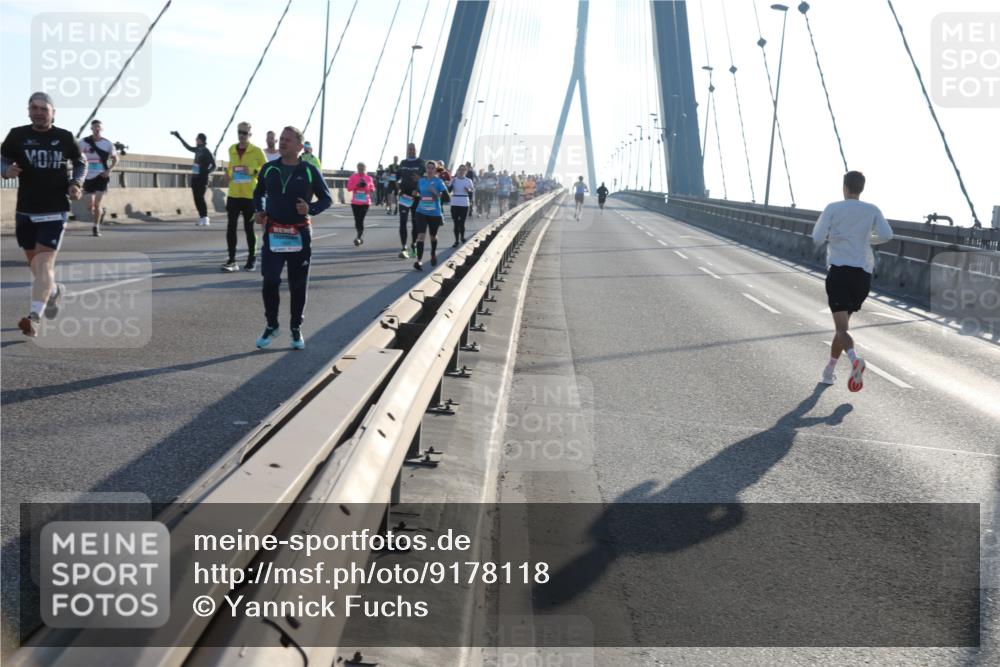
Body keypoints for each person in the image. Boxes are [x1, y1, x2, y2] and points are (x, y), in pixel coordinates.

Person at [2, 92, 86, 337]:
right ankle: (54, 290)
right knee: (36, 266)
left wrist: (76, 183)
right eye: (34, 108)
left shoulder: (64, 137)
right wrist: (6, 170)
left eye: (44, 109)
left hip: (55, 209)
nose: (39, 112)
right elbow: (2, 159)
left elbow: (81, 162)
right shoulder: (17, 135)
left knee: (43, 263)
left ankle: (35, 317)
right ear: (28, 111)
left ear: (53, 112)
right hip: (26, 210)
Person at [252, 125, 332, 350]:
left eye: (287, 140)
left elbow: (326, 199)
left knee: (298, 284)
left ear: (299, 146)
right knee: (270, 279)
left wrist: (310, 208)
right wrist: (258, 210)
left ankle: (296, 328)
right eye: (281, 139)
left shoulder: (308, 170)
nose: (282, 142)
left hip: (299, 233)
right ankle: (272, 325)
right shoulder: (269, 169)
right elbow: (258, 194)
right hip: (274, 232)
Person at [812, 170, 893, 391]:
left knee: (842, 329)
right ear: (861, 188)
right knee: (842, 327)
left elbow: (817, 237)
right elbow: (887, 235)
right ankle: (829, 371)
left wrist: (833, 237)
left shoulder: (833, 208)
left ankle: (855, 359)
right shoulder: (872, 210)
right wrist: (867, 239)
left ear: (844, 187)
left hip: (840, 273)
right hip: (863, 276)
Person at [223, 122, 267, 272]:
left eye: (245, 133)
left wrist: (253, 171)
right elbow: (231, 167)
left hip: (250, 195)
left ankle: (252, 258)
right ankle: (231, 260)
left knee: (249, 228)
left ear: (250, 135)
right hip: (234, 194)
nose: (241, 135)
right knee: (231, 228)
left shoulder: (257, 151)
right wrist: (228, 174)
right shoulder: (232, 149)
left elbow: (265, 168)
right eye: (239, 132)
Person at [79, 119, 119, 237]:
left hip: (101, 176)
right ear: (91, 129)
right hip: (87, 176)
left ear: (101, 129)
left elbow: (116, 159)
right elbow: (76, 156)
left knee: (97, 204)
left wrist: (109, 170)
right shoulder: (83, 142)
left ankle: (95, 228)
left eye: (99, 127)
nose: (96, 129)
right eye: (94, 127)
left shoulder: (107, 143)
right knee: (89, 206)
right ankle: (101, 213)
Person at [170, 129, 216, 226]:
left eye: (197, 138)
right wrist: (179, 137)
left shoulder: (206, 151)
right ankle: (201, 217)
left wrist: (207, 172)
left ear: (201, 140)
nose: (195, 140)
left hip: (203, 178)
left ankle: (205, 217)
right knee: (196, 198)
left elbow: (214, 165)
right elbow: (187, 147)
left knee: (200, 197)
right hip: (195, 177)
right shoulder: (197, 150)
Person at [411, 160, 447, 270]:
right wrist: (415, 193)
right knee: (420, 236)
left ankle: (433, 253)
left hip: (434, 213)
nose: (430, 170)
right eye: (428, 168)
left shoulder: (439, 182)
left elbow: (447, 198)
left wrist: (435, 192)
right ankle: (419, 260)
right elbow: (417, 192)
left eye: (432, 168)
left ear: (435, 170)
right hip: (421, 211)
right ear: (426, 170)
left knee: (433, 236)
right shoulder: (421, 181)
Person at [396, 143, 424, 258]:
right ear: (407, 150)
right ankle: (404, 247)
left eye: (413, 149)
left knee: (415, 222)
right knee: (403, 221)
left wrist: (419, 185)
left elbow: (428, 177)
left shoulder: (421, 162)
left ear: (416, 150)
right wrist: (397, 186)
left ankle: (414, 244)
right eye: (409, 149)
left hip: (416, 196)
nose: (411, 151)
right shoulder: (403, 163)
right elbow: (397, 177)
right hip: (404, 196)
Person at [347, 162, 375, 246]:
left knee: (361, 219)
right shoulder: (353, 177)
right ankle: (360, 236)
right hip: (355, 202)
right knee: (357, 219)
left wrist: (368, 187)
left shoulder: (369, 178)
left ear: (365, 169)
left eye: (363, 169)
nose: (361, 170)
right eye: (359, 168)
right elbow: (349, 188)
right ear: (357, 168)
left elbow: (373, 189)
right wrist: (357, 185)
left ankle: (359, 237)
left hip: (365, 202)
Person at [449, 164, 474, 247]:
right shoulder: (454, 180)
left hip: (464, 202)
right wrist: (451, 183)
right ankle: (456, 240)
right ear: (458, 170)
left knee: (462, 223)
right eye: (460, 169)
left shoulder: (468, 180)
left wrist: (469, 190)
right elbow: (448, 190)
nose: (462, 171)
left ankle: (462, 237)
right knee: (456, 223)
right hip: (455, 202)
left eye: (464, 170)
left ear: (466, 171)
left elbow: (472, 190)